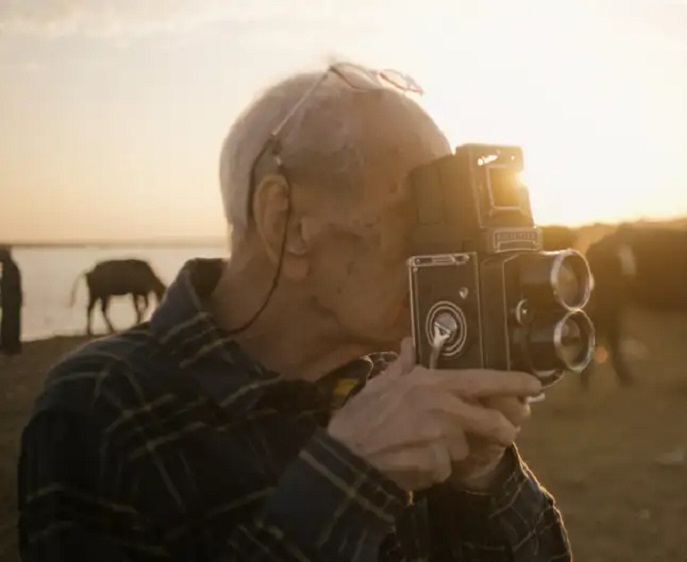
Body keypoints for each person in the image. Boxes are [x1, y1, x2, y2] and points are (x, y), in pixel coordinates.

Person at [18, 61, 572, 561]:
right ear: (287, 222)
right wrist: (351, 478)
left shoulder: (396, 381)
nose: (450, 249)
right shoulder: (103, 407)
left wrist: (482, 476)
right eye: (420, 213)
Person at [0, 245, 22, 356]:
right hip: (10, 300)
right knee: (8, 322)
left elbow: (10, 285)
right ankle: (8, 344)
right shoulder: (10, 266)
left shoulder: (10, 267)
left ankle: (11, 346)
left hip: (11, 301)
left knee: (11, 323)